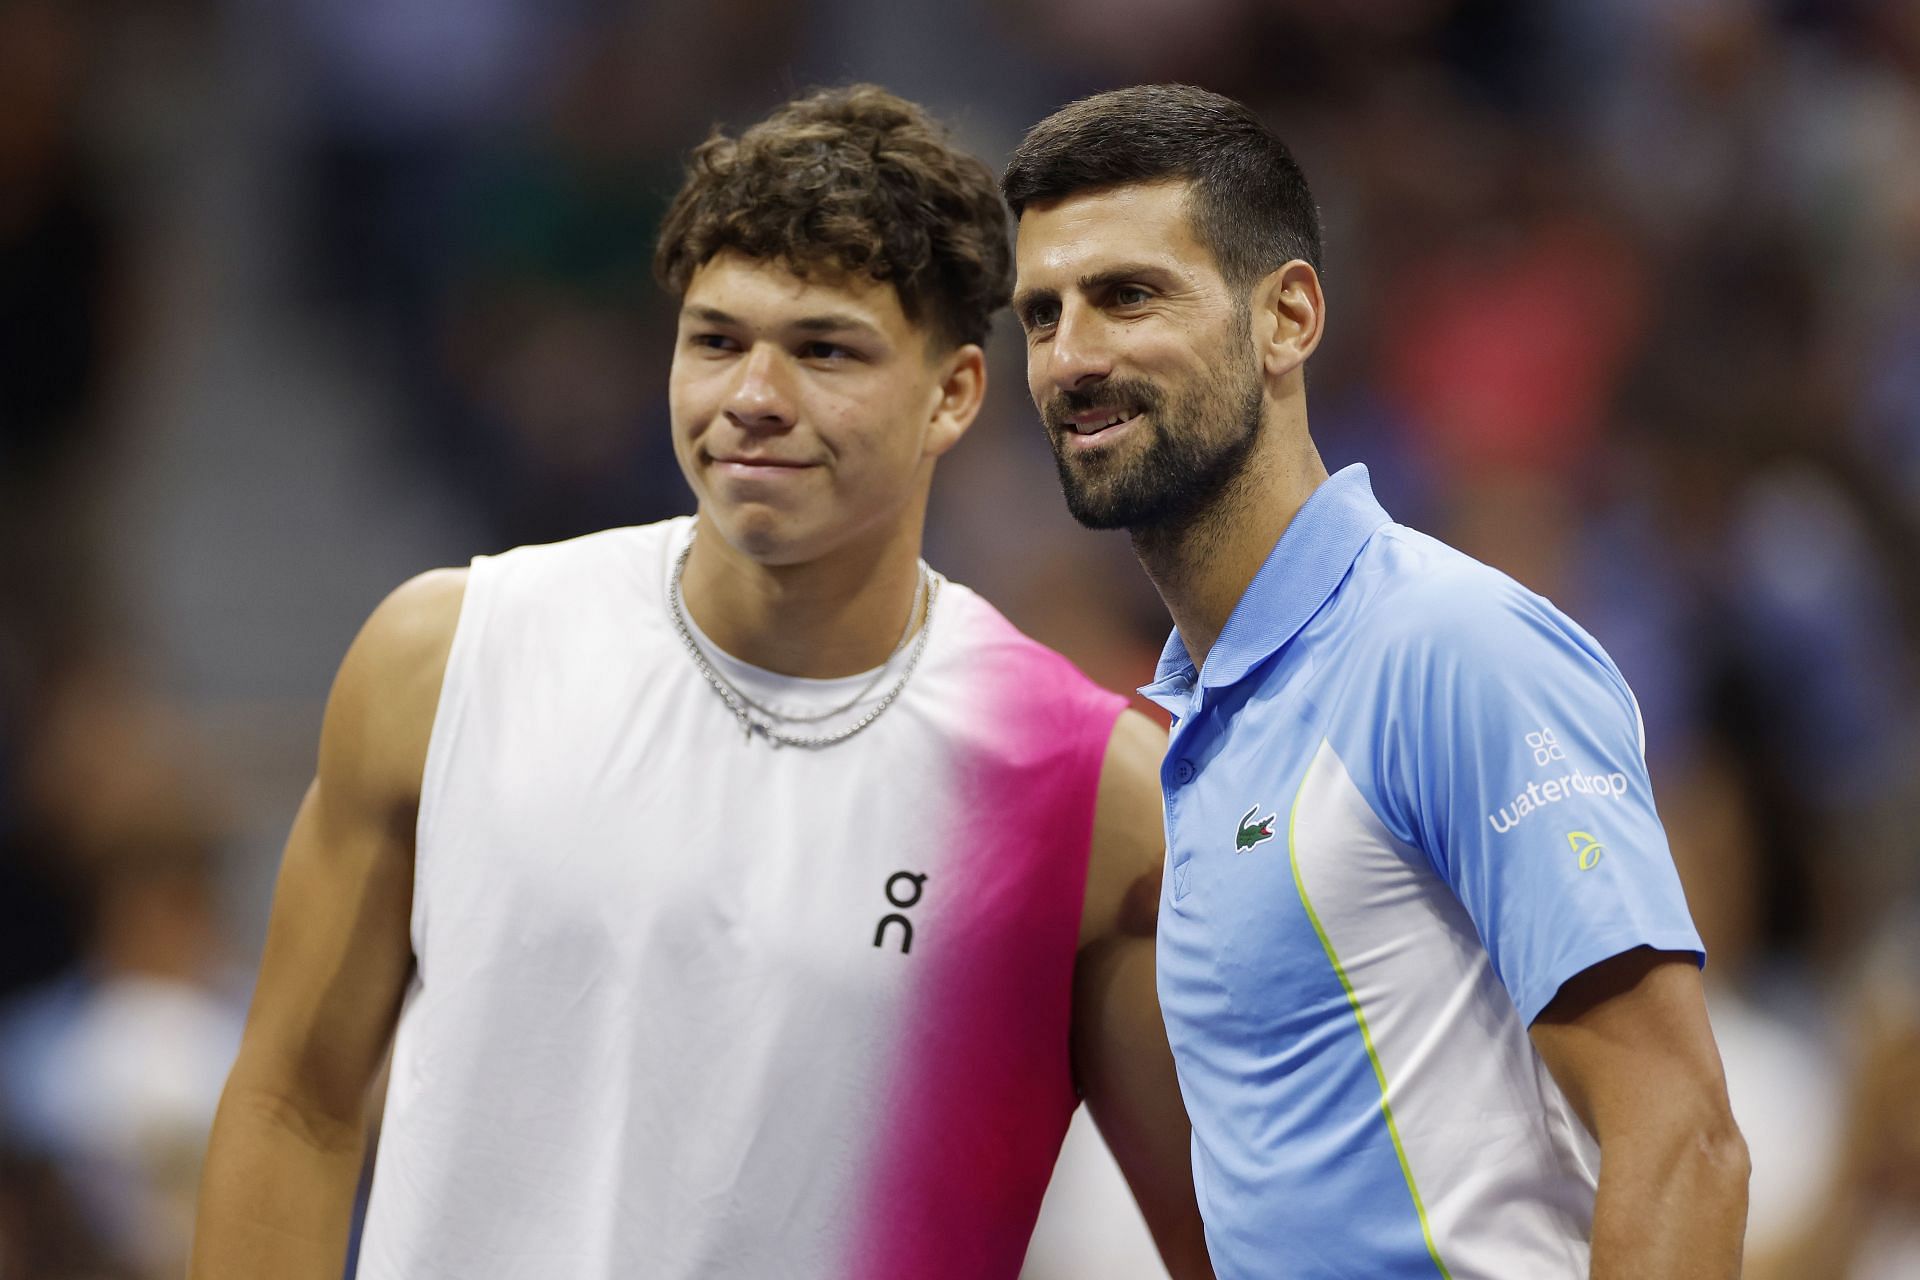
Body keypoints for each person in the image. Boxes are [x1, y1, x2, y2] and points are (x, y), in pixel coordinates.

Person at [190, 85, 1209, 1280]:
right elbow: (294, 1106)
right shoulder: (448, 654)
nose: (753, 398)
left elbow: (1224, 1242)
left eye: (825, 349)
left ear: (955, 395)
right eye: (717, 339)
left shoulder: (1096, 795)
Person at [1003, 83, 1749, 1278]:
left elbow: (1685, 1139)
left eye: (1128, 295)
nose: (1072, 356)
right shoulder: (1188, 728)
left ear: (1287, 317)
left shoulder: (1447, 648)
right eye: (1041, 314)